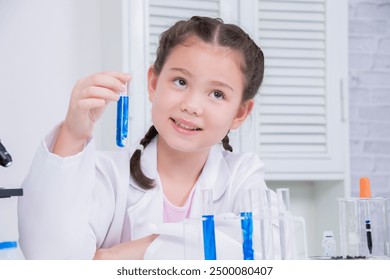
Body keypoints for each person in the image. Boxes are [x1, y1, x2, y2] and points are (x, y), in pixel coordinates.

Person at [18, 16, 278, 259]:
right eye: (180, 82)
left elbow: (267, 248)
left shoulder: (242, 175)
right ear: (153, 83)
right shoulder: (109, 174)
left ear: (240, 113)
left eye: (217, 94)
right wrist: (73, 134)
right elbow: (50, 259)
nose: (192, 105)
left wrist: (113, 257)